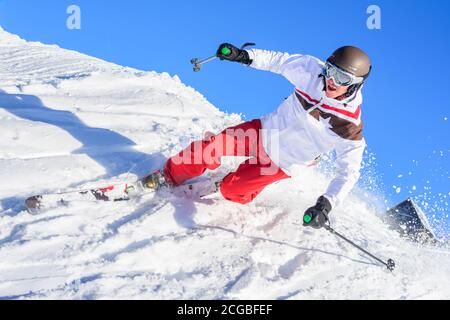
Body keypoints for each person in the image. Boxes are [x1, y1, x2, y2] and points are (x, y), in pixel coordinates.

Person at [142, 43, 371, 229]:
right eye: (330, 71)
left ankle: (228, 184)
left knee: (233, 190)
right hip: (263, 131)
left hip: (283, 161)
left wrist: (325, 204)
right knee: (210, 148)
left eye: (342, 79)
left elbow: (349, 171)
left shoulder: (349, 124)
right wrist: (244, 55)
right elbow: (278, 61)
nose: (331, 80)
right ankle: (169, 175)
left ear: (355, 85)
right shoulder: (312, 72)